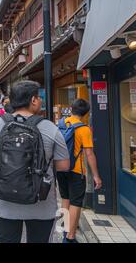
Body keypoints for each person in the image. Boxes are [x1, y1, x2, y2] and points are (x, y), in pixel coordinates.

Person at [0, 80, 70, 243]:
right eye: (39, 97)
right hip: (41, 203)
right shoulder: (50, 128)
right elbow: (64, 165)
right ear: (33, 100)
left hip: (4, 202)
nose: (41, 100)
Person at [57, 99, 102, 243]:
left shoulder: (61, 124)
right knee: (76, 202)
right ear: (86, 113)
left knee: (65, 198)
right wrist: (96, 176)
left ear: (71, 109)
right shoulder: (84, 129)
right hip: (77, 171)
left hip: (61, 168)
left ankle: (65, 230)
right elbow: (89, 154)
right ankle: (70, 237)